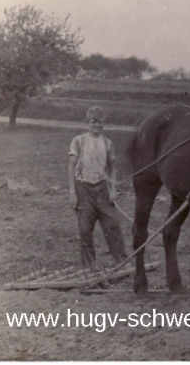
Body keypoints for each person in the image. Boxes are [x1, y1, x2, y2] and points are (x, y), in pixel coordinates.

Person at [68, 106, 129, 268]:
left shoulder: (108, 144)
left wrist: (113, 189)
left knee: (113, 225)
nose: (97, 125)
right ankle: (89, 266)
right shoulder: (79, 141)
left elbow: (112, 168)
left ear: (104, 124)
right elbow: (71, 167)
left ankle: (121, 262)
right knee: (85, 229)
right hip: (83, 189)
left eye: (100, 122)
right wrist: (72, 193)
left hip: (102, 189)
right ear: (88, 122)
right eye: (94, 122)